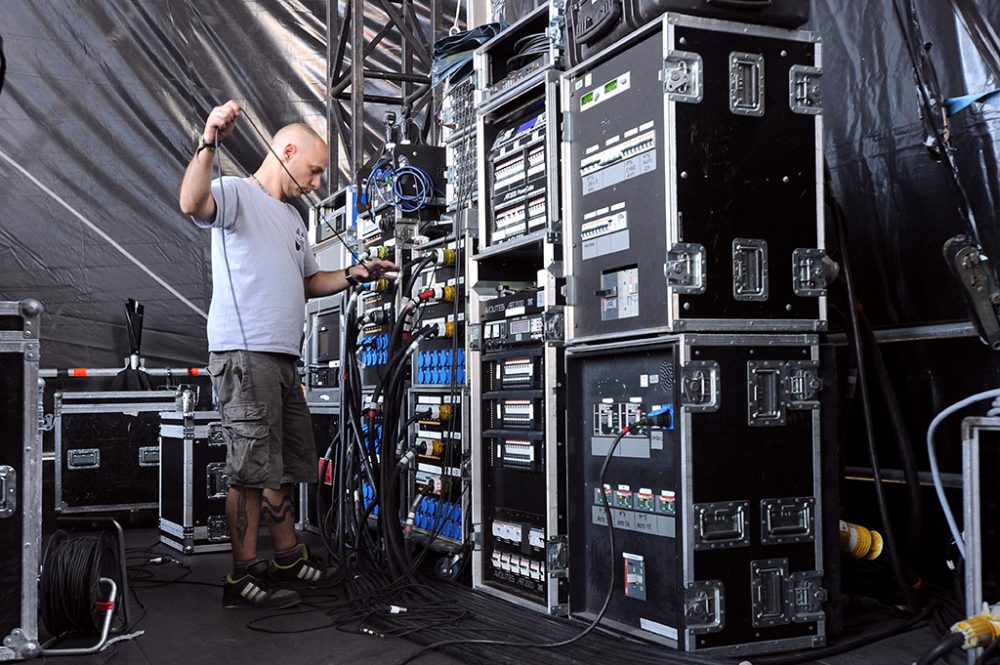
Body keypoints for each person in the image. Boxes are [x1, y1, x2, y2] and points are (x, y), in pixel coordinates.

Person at [179, 100, 396, 609]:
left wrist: (352, 275)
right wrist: (210, 138)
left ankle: (286, 556)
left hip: (282, 359)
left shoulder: (294, 218)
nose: (318, 182)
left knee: (284, 467)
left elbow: (307, 281)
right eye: (315, 170)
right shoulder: (236, 194)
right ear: (288, 152)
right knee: (252, 470)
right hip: (244, 352)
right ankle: (240, 575)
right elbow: (191, 203)